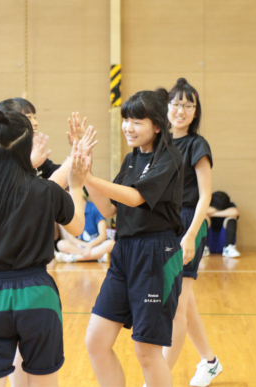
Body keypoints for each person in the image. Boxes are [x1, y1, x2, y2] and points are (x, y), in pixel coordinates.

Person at [0, 108, 90, 387]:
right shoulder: (47, 190)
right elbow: (78, 228)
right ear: (27, 148)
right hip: (38, 295)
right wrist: (75, 187)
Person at [83, 89, 184, 387]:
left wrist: (89, 178)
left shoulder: (170, 158)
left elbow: (136, 197)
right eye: (126, 119)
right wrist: (85, 171)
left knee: (147, 352)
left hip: (156, 255)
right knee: (96, 341)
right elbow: (109, 208)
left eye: (137, 121)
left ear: (157, 126)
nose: (128, 127)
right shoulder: (131, 159)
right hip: (124, 253)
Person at [162, 78, 222, 386]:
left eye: (188, 105)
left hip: (189, 225)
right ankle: (210, 362)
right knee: (186, 303)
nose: (181, 110)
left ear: (195, 112)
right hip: (166, 225)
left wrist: (190, 234)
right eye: (176, 104)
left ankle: (158, 378)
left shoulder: (198, 145)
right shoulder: (160, 143)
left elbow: (205, 195)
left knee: (176, 307)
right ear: (166, 108)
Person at [55, 187, 115, 263]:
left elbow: (102, 235)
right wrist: (86, 246)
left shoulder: (95, 208)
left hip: (96, 244)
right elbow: (71, 238)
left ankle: (73, 258)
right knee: (61, 244)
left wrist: (90, 246)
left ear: (81, 192)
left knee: (111, 244)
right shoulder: (71, 212)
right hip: (82, 245)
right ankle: (98, 256)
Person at [207, 191, 240, 258]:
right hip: (209, 240)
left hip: (224, 240)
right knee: (204, 217)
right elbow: (202, 211)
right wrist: (223, 211)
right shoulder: (206, 204)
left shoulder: (230, 205)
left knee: (231, 218)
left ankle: (229, 248)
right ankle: (202, 248)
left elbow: (235, 212)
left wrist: (213, 213)